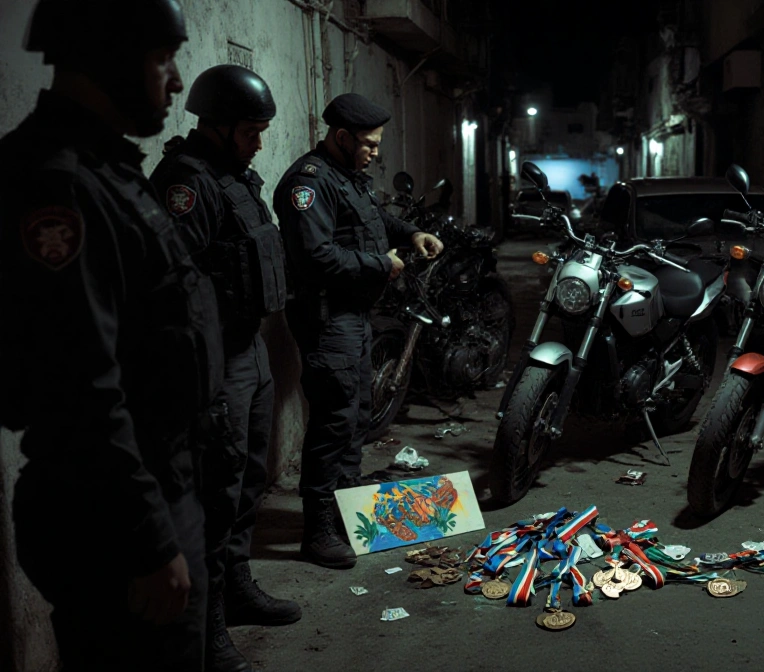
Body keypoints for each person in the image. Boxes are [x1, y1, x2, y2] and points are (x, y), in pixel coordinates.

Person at [0, 1, 221, 669]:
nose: (177, 82)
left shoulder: (107, 169)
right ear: (109, 62)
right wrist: (151, 541)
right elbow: (82, 388)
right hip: (112, 516)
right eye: (162, 61)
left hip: (145, 488)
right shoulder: (58, 184)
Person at [149, 64, 302, 672]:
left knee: (246, 482)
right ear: (217, 125)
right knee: (215, 490)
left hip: (251, 348)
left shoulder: (234, 176)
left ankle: (237, 587)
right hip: (215, 360)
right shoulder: (185, 184)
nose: (260, 141)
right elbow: (171, 289)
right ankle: (208, 628)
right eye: (251, 130)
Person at [274, 93, 443, 569]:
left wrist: (409, 233)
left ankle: (345, 504)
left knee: (354, 415)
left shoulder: (347, 177)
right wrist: (380, 264)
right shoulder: (306, 184)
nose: (374, 152)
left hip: (353, 317)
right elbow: (315, 257)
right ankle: (319, 531)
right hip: (328, 320)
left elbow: (373, 219)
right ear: (342, 137)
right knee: (333, 422)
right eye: (368, 144)